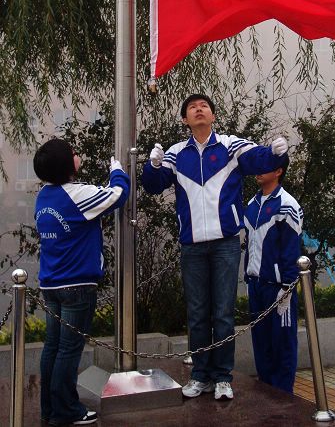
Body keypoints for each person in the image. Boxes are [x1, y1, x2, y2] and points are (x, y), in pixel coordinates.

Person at [141, 93, 288, 400]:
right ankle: (200, 376)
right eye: (192, 107)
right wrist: (153, 165)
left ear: (213, 116)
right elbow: (154, 185)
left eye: (204, 106)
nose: (199, 110)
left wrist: (275, 154)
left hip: (225, 243)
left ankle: (222, 377)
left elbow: (258, 158)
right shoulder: (176, 153)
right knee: (197, 314)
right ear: (185, 119)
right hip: (192, 245)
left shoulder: (230, 146)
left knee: (222, 313)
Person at [33, 138, 130, 426]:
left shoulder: (43, 196)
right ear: (66, 164)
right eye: (73, 153)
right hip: (77, 285)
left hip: (51, 285)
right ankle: (67, 410)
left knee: (53, 347)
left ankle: (49, 409)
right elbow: (117, 195)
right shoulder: (78, 194)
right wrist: (118, 171)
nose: (78, 155)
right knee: (68, 349)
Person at [244, 162, 303, 393]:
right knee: (261, 345)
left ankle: (284, 397)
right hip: (256, 284)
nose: (258, 170)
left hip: (278, 288)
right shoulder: (252, 204)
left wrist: (287, 287)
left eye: (266, 166)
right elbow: (250, 246)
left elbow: (291, 249)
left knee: (282, 345)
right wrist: (248, 278)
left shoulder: (287, 204)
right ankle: (266, 395)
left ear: (279, 171)